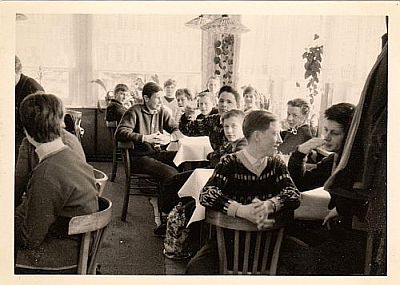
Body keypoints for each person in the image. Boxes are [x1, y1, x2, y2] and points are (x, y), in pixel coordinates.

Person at [186, 110, 300, 274]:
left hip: (269, 246)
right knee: (195, 271)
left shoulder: (277, 164)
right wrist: (240, 210)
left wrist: (269, 205)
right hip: (228, 246)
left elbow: (294, 194)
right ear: (257, 136)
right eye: (275, 134)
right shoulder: (229, 162)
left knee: (308, 264)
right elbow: (207, 194)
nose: (280, 140)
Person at [14, 93, 98, 274]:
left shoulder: (46, 173)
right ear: (61, 124)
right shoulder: (69, 156)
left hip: (62, 256)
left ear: (27, 132)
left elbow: (29, 238)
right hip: (78, 244)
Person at [288, 103, 356, 193]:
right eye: (326, 130)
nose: (327, 137)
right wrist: (300, 153)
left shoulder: (352, 163)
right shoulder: (332, 160)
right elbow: (300, 185)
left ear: (349, 136)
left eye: (335, 133)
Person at [14, 127, 86, 208]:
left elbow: (19, 185)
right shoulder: (72, 140)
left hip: (59, 210)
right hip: (82, 211)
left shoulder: (30, 143)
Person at [179, 85, 241, 151]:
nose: (224, 105)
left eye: (229, 102)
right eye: (221, 101)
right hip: (217, 159)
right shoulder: (213, 120)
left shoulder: (243, 123)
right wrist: (187, 115)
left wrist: (213, 156)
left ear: (237, 105)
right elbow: (187, 129)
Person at [15, 56, 44, 156]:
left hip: (28, 139)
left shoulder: (33, 88)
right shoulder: (9, 85)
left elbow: (39, 124)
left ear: (18, 71)